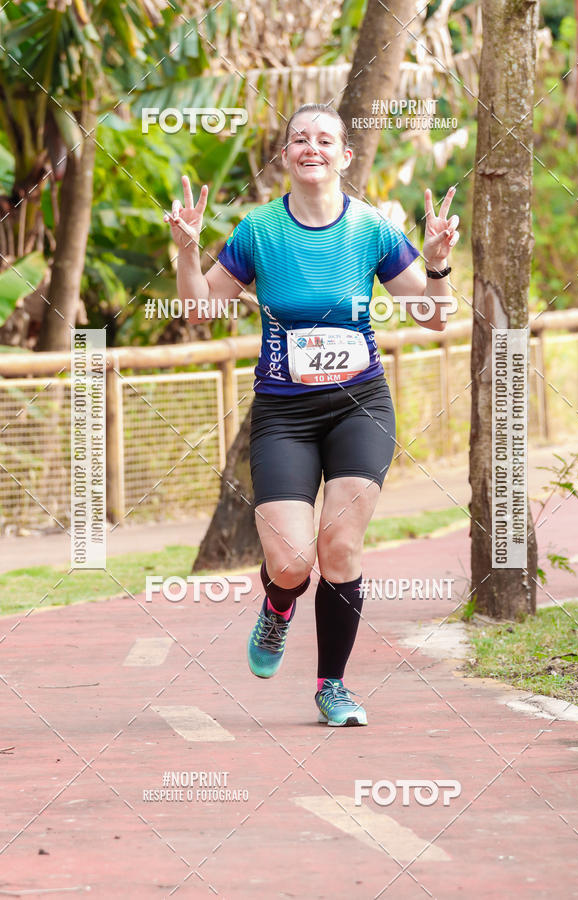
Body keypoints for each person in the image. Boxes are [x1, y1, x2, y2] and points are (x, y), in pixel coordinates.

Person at [166, 103, 459, 726]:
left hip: (360, 407)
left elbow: (435, 316)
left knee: (340, 547)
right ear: (286, 154)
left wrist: (435, 262)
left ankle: (333, 685)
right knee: (293, 562)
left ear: (345, 156)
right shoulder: (258, 232)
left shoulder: (372, 231)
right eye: (300, 139)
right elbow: (199, 311)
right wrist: (187, 253)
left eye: (325, 140)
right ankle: (277, 608)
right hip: (284, 416)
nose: (312, 148)